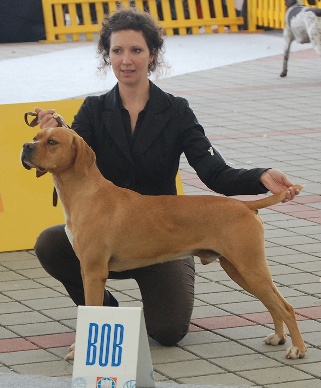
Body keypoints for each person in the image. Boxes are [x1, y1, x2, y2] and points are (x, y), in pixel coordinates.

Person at [34, 8, 299, 347]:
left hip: (165, 237)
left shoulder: (176, 111)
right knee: (50, 243)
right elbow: (73, 150)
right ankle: (104, 321)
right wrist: (54, 130)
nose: (126, 60)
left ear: (152, 55)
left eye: (136, 50)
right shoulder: (94, 110)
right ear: (108, 56)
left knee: (168, 331)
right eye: (117, 51)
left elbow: (214, 172)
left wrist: (261, 176)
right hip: (105, 234)